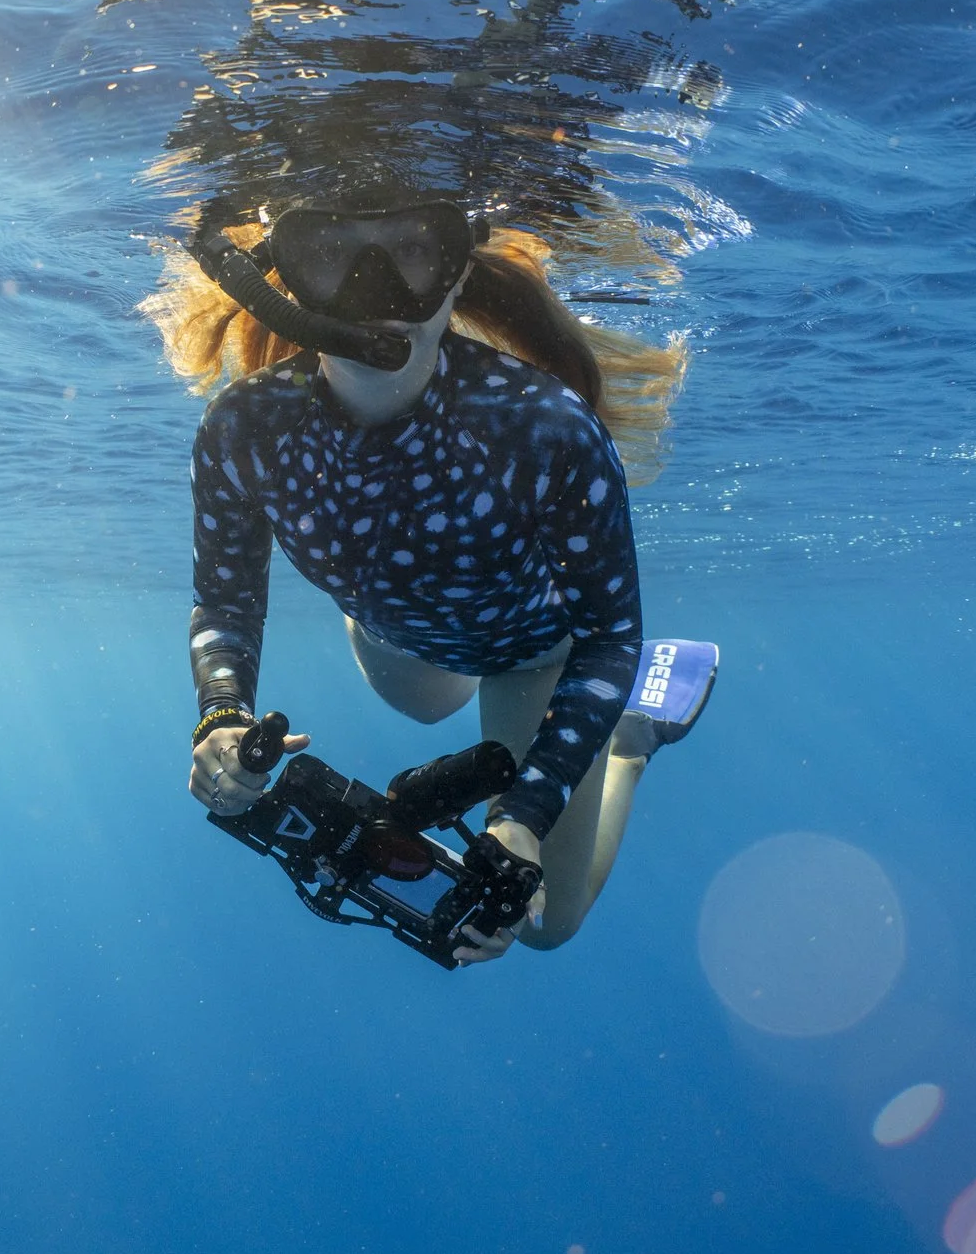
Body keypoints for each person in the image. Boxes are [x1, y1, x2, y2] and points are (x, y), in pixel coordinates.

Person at [152, 194, 691, 963]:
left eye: (412, 250)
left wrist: (522, 817)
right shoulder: (243, 429)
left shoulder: (547, 429)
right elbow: (225, 598)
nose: (378, 293)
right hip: (395, 638)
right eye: (333, 255)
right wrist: (221, 714)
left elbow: (610, 637)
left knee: (543, 923)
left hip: (537, 655)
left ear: (457, 268)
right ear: (286, 276)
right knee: (426, 713)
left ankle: (631, 738)